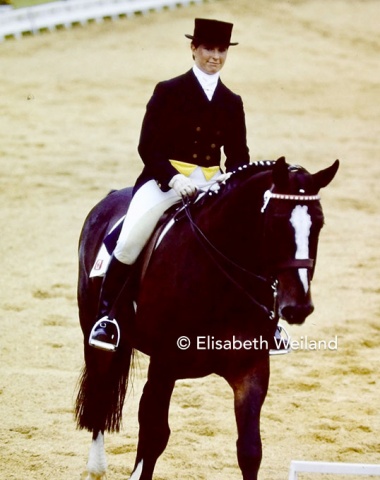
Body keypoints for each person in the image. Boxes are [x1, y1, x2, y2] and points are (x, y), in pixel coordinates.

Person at [89, 18, 251, 352]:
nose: (215, 56)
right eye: (208, 48)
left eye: (221, 50)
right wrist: (174, 178)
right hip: (164, 181)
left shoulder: (232, 102)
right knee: (132, 235)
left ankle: (262, 320)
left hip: (210, 184)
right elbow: (147, 147)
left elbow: (238, 156)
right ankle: (107, 319)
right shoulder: (169, 91)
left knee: (248, 236)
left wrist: (228, 180)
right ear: (194, 49)